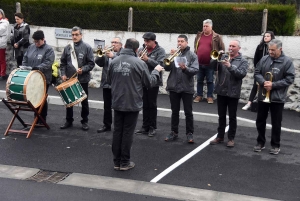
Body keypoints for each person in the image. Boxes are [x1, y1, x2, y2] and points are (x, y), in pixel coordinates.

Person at [107, 38, 163, 171]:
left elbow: (109, 80)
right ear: (136, 49)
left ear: (125, 46)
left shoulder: (114, 61)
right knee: (127, 132)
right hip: (132, 102)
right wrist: (156, 71)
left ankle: (117, 161)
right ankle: (125, 162)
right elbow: (149, 83)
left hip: (117, 101)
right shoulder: (139, 63)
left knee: (117, 131)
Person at [253, 39, 294, 154]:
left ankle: (275, 145)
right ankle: (260, 142)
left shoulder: (287, 62)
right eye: (269, 49)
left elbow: (290, 78)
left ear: (280, 49)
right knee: (260, 120)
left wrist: (273, 85)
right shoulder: (265, 59)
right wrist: (263, 82)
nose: (270, 52)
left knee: (276, 122)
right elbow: (257, 72)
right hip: (263, 96)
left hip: (277, 98)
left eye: (273, 50)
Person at [210, 40, 248, 147]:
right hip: (221, 90)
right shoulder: (223, 57)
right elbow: (212, 67)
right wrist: (217, 58)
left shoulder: (243, 61)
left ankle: (231, 138)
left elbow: (241, 74)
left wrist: (230, 66)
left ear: (238, 48)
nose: (230, 48)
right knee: (221, 116)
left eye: (233, 46)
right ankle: (220, 136)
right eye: (230, 46)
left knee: (232, 117)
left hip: (233, 92)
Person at [163, 35, 199, 143]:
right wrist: (170, 57)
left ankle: (189, 133)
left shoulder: (192, 55)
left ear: (186, 43)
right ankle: (174, 132)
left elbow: (195, 70)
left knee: (188, 112)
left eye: (182, 41)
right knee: (174, 111)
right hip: (174, 86)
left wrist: (185, 69)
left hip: (186, 87)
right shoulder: (174, 54)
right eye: (178, 41)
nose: (180, 43)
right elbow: (166, 68)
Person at [60, 26, 95, 131]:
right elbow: (63, 63)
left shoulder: (87, 47)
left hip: (83, 79)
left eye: (76, 35)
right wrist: (63, 74)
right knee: (69, 100)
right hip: (70, 78)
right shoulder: (68, 48)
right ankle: (68, 120)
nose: (74, 37)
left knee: (84, 101)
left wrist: (83, 69)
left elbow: (91, 63)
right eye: (72, 35)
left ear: (81, 35)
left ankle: (85, 121)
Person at [135, 32, 166, 137]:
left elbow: (160, 65)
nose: (145, 43)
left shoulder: (160, 51)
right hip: (142, 80)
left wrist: (148, 60)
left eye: (148, 41)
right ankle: (145, 126)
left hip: (154, 81)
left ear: (153, 41)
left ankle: (152, 127)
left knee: (152, 104)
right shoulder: (140, 50)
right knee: (144, 104)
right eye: (144, 41)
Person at [193, 19, 225, 104]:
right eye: (204, 26)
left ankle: (210, 97)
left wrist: (218, 55)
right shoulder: (199, 36)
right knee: (199, 80)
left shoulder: (217, 37)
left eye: (207, 26)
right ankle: (199, 95)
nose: (205, 28)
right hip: (199, 63)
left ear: (211, 27)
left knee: (210, 81)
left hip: (210, 63)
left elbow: (222, 49)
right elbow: (195, 48)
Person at [242, 31, 275, 110]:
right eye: (265, 36)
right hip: (259, 70)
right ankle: (249, 103)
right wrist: (258, 69)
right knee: (255, 86)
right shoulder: (259, 47)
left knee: (268, 87)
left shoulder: (273, 47)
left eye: (268, 36)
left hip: (269, 71)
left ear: (272, 37)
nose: (265, 37)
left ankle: (267, 107)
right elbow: (256, 59)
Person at [95, 37, 123, 133]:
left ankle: (119, 126)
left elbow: (123, 64)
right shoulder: (106, 53)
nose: (113, 44)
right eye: (112, 42)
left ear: (120, 45)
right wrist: (101, 55)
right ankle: (106, 125)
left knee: (119, 106)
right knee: (107, 106)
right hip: (107, 83)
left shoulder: (123, 54)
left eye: (116, 42)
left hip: (118, 85)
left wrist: (113, 57)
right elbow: (99, 63)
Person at [0, 9, 9, 80]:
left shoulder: (5, 22)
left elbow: (1, 30)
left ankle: (2, 74)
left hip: (1, 43)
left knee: (1, 59)